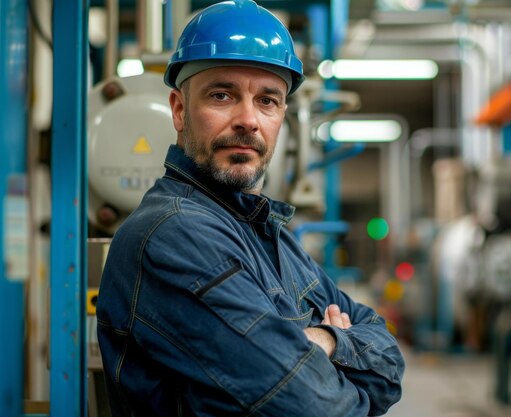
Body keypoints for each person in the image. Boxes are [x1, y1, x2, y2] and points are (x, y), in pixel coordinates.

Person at [96, 1, 405, 416]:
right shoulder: (171, 236)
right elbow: (317, 408)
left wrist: (329, 342)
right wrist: (326, 347)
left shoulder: (266, 233)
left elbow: (390, 364)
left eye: (267, 101)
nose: (248, 120)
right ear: (180, 109)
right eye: (222, 95)